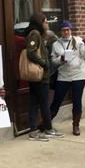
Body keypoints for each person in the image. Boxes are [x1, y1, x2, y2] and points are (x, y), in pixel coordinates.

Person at [50, 21, 85, 136]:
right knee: (57, 100)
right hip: (64, 76)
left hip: (79, 75)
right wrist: (61, 59)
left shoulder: (78, 41)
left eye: (68, 29)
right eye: (64, 30)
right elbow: (53, 62)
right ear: (60, 31)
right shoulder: (56, 44)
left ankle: (76, 125)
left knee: (77, 101)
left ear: (71, 30)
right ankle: (47, 123)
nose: (66, 32)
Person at [23, 13, 53, 141]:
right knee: (44, 102)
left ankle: (34, 131)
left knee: (34, 102)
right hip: (40, 75)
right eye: (45, 22)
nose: (47, 24)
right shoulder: (35, 33)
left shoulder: (38, 34)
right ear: (39, 22)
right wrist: (44, 63)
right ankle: (48, 128)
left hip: (39, 75)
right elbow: (31, 52)